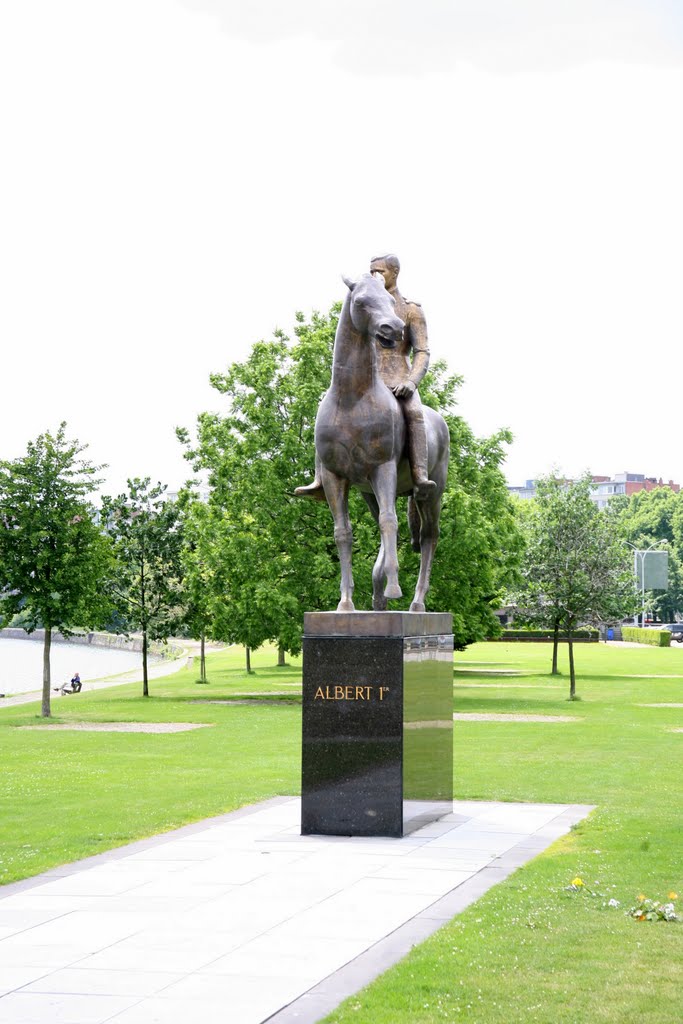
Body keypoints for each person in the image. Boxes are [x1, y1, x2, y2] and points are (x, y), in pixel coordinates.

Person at [295, 253, 437, 501]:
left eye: (380, 271)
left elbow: (422, 352)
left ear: (394, 273)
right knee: (328, 410)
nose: (375, 275)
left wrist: (411, 382)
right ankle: (320, 477)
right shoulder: (368, 301)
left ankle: (420, 474)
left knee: (414, 412)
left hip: (398, 379)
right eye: (372, 271)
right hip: (365, 380)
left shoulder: (411, 309)